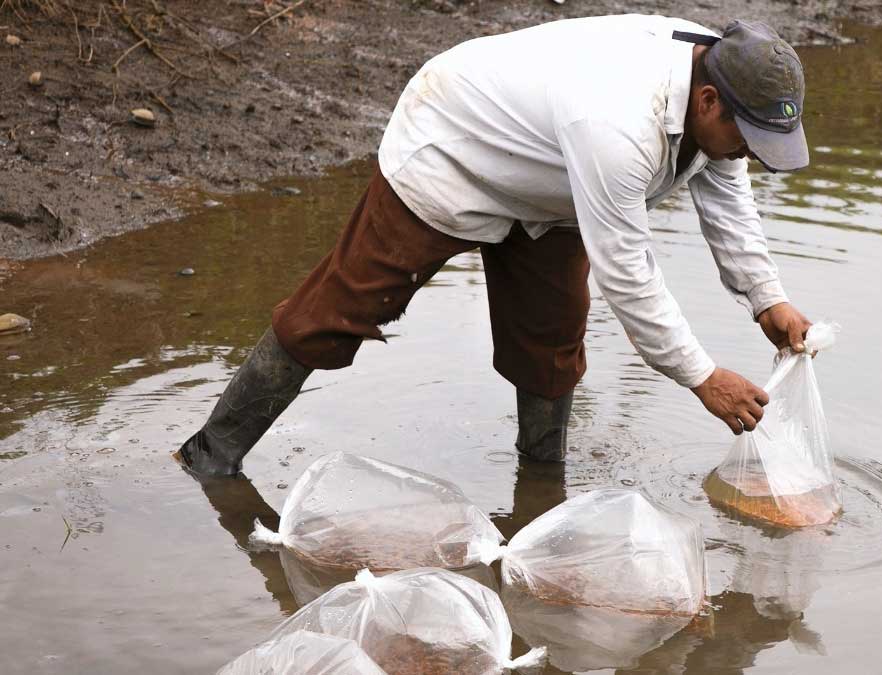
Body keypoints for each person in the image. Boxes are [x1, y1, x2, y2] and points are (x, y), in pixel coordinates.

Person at [178, 14, 815, 477]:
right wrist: (702, 377)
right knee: (340, 308)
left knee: (553, 338)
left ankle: (540, 492)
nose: (749, 157)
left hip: (553, 182)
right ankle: (210, 456)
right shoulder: (621, 124)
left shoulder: (723, 93)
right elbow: (628, 273)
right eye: (749, 140)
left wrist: (767, 299)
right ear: (709, 102)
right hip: (457, 147)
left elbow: (726, 190)